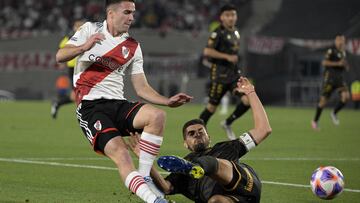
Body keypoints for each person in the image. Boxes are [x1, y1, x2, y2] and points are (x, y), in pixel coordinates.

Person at [55, 1, 193, 203]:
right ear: (111, 13)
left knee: (157, 116)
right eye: (127, 12)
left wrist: (167, 101)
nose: (132, 18)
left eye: (133, 13)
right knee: (122, 154)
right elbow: (60, 56)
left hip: (117, 104)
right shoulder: (89, 29)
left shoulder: (133, 46)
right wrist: (84, 46)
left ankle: (145, 176)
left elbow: (141, 88)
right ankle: (154, 200)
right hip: (91, 108)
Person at [127, 77, 272, 203]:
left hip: (247, 185)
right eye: (191, 134)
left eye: (201, 131)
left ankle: (198, 168)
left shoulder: (226, 148)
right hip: (233, 201)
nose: (197, 134)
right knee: (215, 200)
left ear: (209, 138)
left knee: (213, 162)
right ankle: (197, 168)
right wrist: (145, 158)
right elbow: (166, 187)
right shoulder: (182, 165)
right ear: (185, 144)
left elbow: (263, 130)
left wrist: (250, 92)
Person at [199, 4, 250, 140]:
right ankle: (197, 133)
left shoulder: (236, 32)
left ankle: (227, 123)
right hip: (220, 76)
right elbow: (207, 51)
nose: (231, 18)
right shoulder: (217, 33)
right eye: (227, 15)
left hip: (234, 75)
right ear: (221, 17)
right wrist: (226, 56)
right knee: (211, 108)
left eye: (233, 15)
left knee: (247, 100)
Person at [311, 35, 350, 130]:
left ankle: (334, 113)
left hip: (339, 79)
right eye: (339, 40)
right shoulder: (331, 51)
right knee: (323, 102)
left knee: (346, 97)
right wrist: (337, 63)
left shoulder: (343, 52)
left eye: (343, 40)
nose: (341, 42)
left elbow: (344, 65)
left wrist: (346, 66)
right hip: (329, 79)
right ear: (336, 41)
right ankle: (315, 121)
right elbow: (324, 62)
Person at [51, 19, 85, 119]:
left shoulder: (87, 38)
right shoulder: (70, 38)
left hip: (84, 67)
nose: (79, 28)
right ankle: (82, 113)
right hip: (73, 68)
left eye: (81, 26)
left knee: (76, 95)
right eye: (77, 26)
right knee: (78, 94)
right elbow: (61, 50)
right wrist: (62, 61)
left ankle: (57, 103)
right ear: (74, 27)